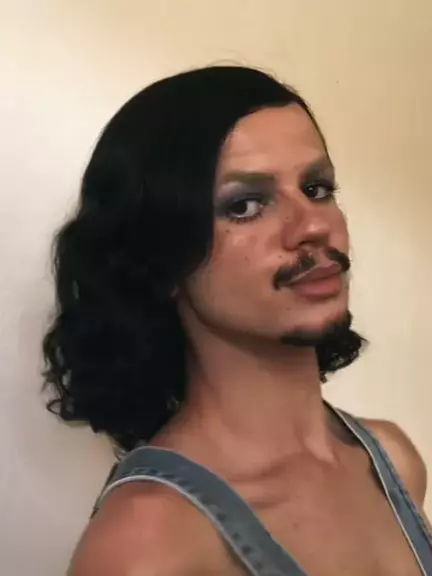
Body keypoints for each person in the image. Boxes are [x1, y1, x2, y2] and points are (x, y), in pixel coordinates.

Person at [43, 66, 432, 575]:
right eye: (245, 205)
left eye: (316, 188)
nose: (313, 225)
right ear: (159, 261)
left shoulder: (392, 460)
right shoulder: (147, 544)